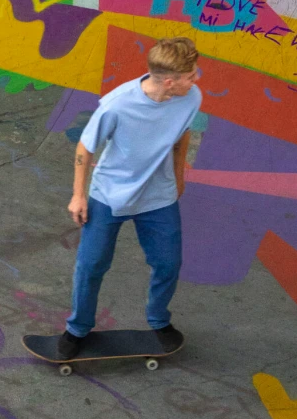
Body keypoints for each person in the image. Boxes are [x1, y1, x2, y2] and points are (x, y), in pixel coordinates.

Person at [57, 36, 201, 360]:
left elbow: (182, 134)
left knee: (168, 263)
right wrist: (78, 196)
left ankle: (159, 320)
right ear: (170, 81)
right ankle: (77, 328)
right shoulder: (118, 104)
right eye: (191, 76)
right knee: (92, 264)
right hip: (109, 195)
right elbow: (85, 147)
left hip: (159, 196)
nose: (196, 80)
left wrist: (178, 177)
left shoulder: (191, 97)